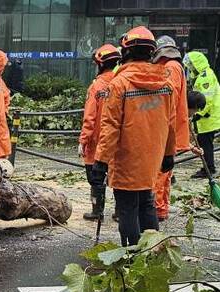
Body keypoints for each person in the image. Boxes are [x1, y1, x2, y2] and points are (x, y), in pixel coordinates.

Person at [94, 26, 176, 247]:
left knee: (127, 208)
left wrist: (100, 161)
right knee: (147, 203)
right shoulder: (166, 84)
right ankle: (152, 252)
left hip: (127, 159)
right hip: (153, 157)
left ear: (126, 52)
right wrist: (169, 154)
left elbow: (110, 127)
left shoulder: (119, 84)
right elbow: (171, 123)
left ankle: (131, 255)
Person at [152, 36, 196, 220]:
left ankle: (157, 208)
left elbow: (167, 100)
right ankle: (160, 208)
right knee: (164, 172)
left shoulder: (170, 68)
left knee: (160, 173)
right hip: (169, 128)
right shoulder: (175, 67)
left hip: (166, 129)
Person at [78, 44, 121, 221]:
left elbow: (90, 117)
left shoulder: (96, 87)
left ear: (100, 64)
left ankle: (97, 211)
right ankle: (120, 212)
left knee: (95, 180)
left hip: (96, 143)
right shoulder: (121, 83)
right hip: (117, 141)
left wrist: (83, 141)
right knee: (119, 179)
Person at [183, 51, 220, 179]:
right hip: (207, 117)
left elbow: (207, 99)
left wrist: (198, 114)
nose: (190, 68)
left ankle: (209, 169)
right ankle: (207, 167)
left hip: (208, 117)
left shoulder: (205, 77)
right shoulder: (203, 75)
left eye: (191, 65)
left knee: (205, 143)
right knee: (204, 142)